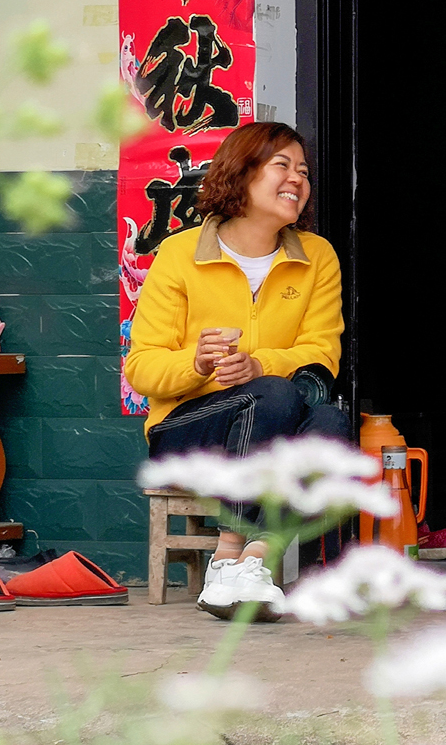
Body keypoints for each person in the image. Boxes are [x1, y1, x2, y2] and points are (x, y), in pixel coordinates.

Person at [126, 122, 350, 621]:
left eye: (303, 171)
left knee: (330, 421)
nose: (297, 179)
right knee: (272, 395)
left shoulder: (316, 257)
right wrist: (196, 363)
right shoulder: (180, 254)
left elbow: (321, 354)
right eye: (282, 166)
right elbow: (142, 367)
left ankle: (250, 562)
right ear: (241, 174)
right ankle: (230, 553)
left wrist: (258, 364)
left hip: (273, 413)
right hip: (186, 430)